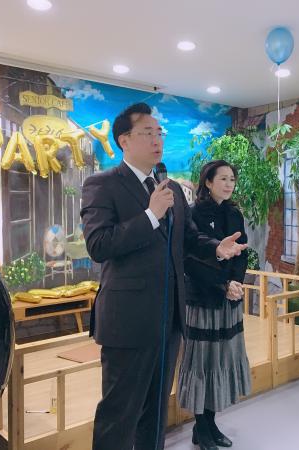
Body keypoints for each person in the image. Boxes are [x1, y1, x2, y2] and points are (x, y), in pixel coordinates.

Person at [80, 103, 247, 450]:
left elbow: (188, 239)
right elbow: (99, 245)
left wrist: (217, 248)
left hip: (169, 319)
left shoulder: (169, 187)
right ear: (124, 140)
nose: (157, 140)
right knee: (120, 412)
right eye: (148, 133)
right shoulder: (102, 184)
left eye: (160, 133)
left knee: (156, 413)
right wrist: (150, 215)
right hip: (128, 321)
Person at [178, 160, 251, 450]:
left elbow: (243, 252)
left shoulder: (234, 213)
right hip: (203, 298)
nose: (229, 184)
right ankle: (201, 425)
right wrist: (222, 286)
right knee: (202, 363)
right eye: (222, 178)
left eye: (232, 179)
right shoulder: (194, 213)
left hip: (229, 297)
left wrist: (236, 282)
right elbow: (190, 260)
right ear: (208, 182)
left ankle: (210, 423)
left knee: (220, 360)